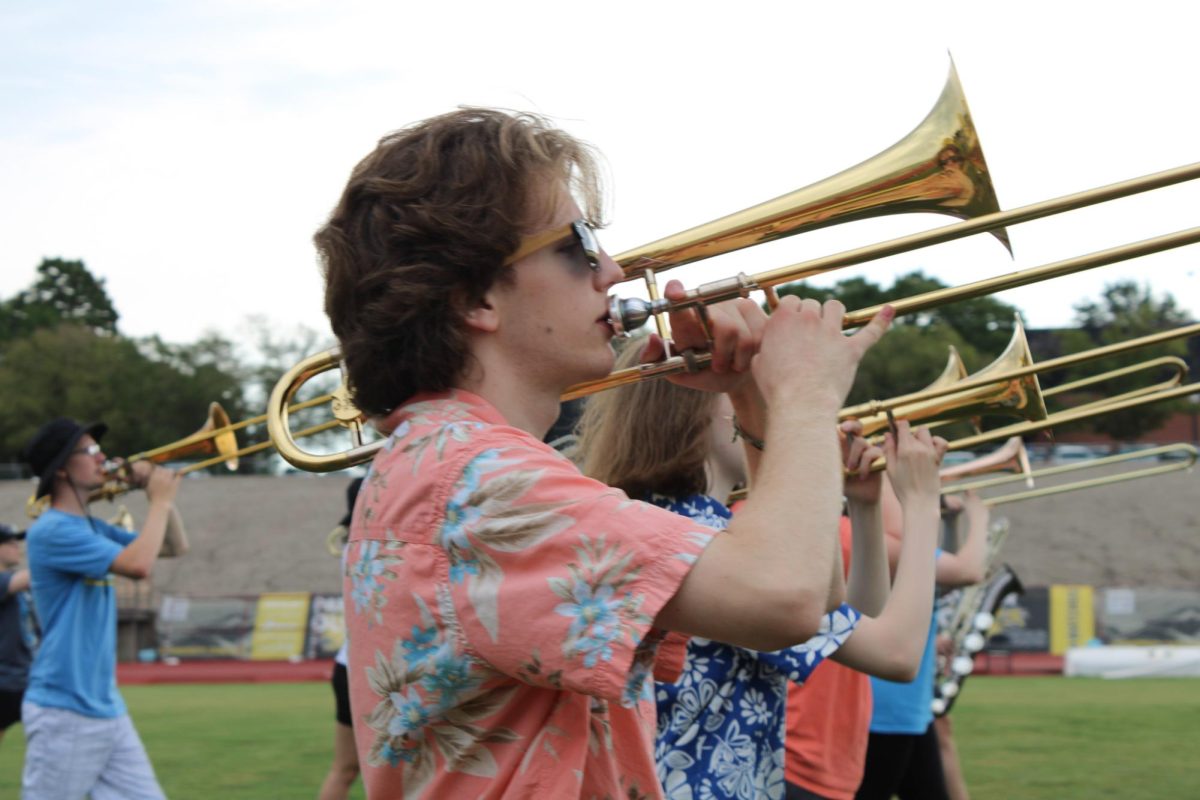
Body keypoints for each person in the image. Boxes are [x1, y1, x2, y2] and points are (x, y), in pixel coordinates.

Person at [317, 108, 893, 798]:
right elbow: (785, 601)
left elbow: (812, 597)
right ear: (476, 298)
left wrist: (753, 403)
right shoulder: (478, 480)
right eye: (579, 243)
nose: (613, 271)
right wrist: (805, 393)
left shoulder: (454, 461)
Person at [576, 343, 947, 800]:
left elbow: (853, 624)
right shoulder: (716, 541)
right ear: (698, 414)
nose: (776, 412)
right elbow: (896, 654)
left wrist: (863, 507)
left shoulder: (665, 519)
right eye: (754, 394)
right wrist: (924, 504)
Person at [19, 417, 188, 799]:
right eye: (90, 451)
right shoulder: (51, 530)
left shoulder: (91, 528)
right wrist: (160, 500)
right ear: (62, 468)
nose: (103, 458)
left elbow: (173, 548)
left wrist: (154, 495)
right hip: (64, 709)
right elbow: (139, 566)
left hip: (104, 706)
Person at [854, 485, 989, 800]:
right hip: (886, 711)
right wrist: (979, 515)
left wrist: (952, 522)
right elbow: (968, 570)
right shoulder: (886, 545)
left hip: (909, 709)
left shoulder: (899, 546)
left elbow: (929, 592)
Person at [318, 477, 364, 800]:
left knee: (344, 770)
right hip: (365, 669)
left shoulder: (351, 546)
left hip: (349, 667)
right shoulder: (366, 548)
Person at [1, 523, 36, 748]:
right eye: (11, 542)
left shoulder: (14, 581)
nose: (18, 547)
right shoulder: (10, 581)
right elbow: (32, 577)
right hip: (4, 681)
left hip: (24, 678)